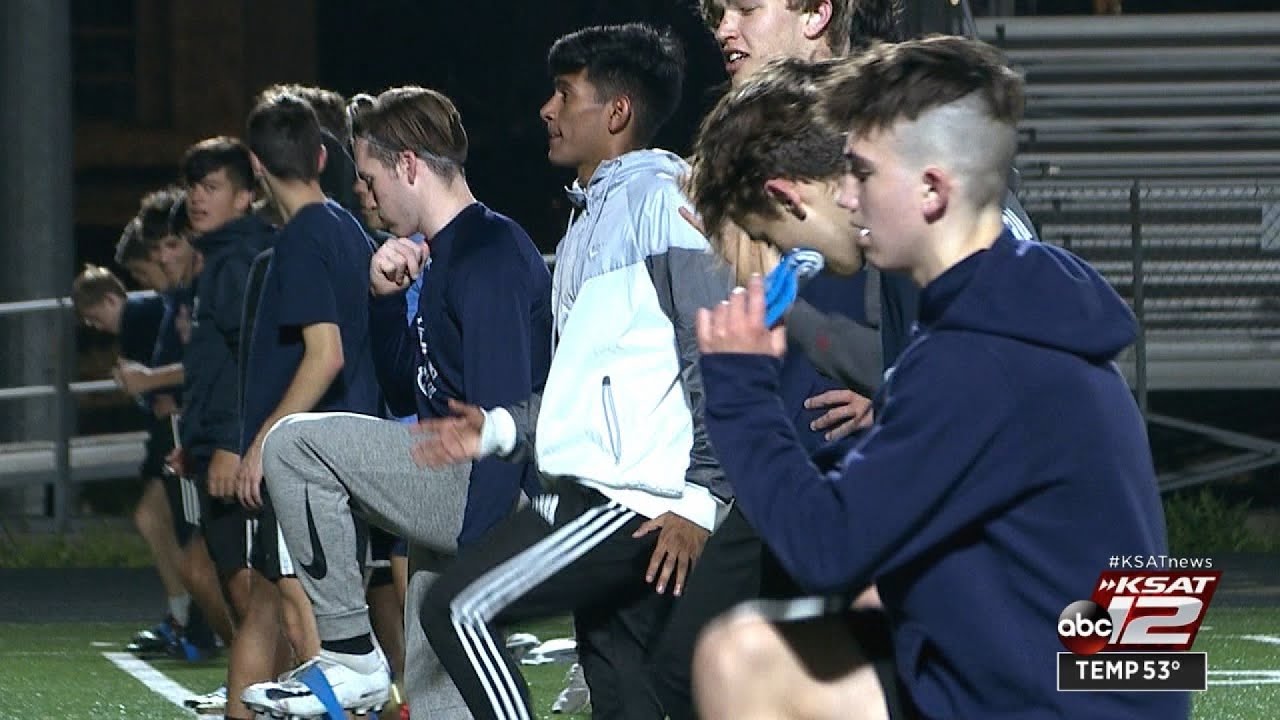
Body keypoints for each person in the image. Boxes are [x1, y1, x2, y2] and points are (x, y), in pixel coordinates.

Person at [688, 36, 1187, 720]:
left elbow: (826, 549)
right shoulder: (1024, 312)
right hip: (1109, 692)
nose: (847, 197)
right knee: (793, 634)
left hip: (1074, 707)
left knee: (740, 658)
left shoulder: (976, 357)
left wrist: (741, 391)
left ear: (931, 189)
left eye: (861, 174)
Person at [413, 23, 731, 720]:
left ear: (617, 113)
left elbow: (716, 352)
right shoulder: (589, 219)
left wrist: (702, 500)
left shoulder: (665, 202)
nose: (546, 110)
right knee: (626, 694)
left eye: (564, 93)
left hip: (631, 503)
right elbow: (581, 387)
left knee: (456, 608)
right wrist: (497, 428)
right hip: (609, 494)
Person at [239, 84, 552, 719]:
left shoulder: (489, 253)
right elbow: (408, 387)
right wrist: (383, 304)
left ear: (409, 164)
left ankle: (352, 655)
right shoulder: (440, 255)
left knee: (293, 443)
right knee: (442, 704)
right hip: (458, 481)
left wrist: (479, 550)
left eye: (374, 175)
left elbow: (505, 418)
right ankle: (359, 658)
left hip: (490, 493)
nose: (367, 193)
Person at [176, 135, 276, 720]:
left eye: (210, 186)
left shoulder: (239, 260)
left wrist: (232, 444)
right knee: (241, 588)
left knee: (255, 594)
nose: (196, 197)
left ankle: (289, 699)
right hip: (220, 443)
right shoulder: (220, 256)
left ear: (245, 197)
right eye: (193, 185)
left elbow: (252, 362)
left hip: (239, 451)